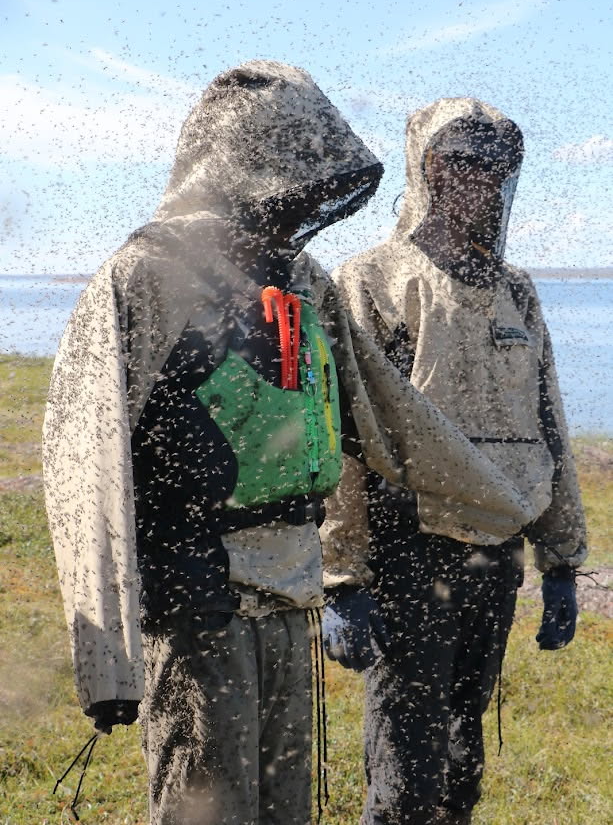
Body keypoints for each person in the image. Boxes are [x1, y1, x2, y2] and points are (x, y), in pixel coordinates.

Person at [43, 70, 535, 825]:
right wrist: (107, 655)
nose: (300, 199)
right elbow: (85, 458)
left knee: (286, 805)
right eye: (288, 174)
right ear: (240, 162)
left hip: (290, 585)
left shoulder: (304, 278)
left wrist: (508, 508)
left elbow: (385, 410)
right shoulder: (147, 274)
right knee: (208, 805)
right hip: (197, 595)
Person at [321, 97, 588, 825]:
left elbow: (547, 423)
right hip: (411, 549)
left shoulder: (515, 289)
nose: (484, 179)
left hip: (495, 553)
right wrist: (342, 577)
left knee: (461, 758)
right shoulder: (373, 279)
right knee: (404, 771)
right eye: (467, 162)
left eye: (498, 166)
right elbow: (346, 434)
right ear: (430, 167)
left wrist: (561, 562)